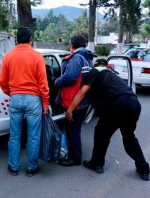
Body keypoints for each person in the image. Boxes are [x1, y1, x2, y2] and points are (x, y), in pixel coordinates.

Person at [66, 58, 149, 181]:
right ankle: (144, 170)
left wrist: (70, 110)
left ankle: (97, 164)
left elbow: (82, 93)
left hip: (117, 105)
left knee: (101, 135)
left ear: (96, 65)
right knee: (129, 137)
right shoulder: (113, 74)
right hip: (134, 104)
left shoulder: (94, 71)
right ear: (106, 65)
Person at [0, 27, 49, 177]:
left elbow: (2, 81)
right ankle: (31, 168)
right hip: (34, 100)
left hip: (15, 98)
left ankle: (14, 167)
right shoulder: (37, 56)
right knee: (33, 135)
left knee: (14, 135)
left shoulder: (8, 56)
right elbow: (43, 84)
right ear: (30, 39)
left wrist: (12, 93)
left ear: (16, 40)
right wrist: (45, 103)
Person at [54, 34, 96, 167]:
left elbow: (70, 77)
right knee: (75, 128)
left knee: (72, 130)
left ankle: (75, 158)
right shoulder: (88, 58)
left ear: (72, 46)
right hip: (83, 100)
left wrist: (56, 82)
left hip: (74, 100)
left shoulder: (76, 58)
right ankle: (75, 154)